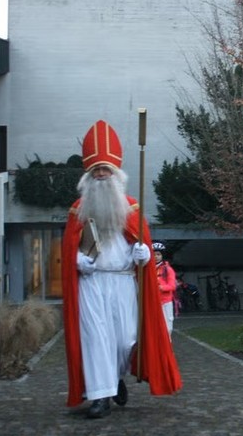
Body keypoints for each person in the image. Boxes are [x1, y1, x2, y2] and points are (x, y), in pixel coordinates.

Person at [61, 120, 182, 419]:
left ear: (115, 174)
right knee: (95, 338)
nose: (101, 175)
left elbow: (140, 246)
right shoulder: (78, 209)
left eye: (105, 170)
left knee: (124, 339)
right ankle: (99, 396)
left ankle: (114, 379)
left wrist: (141, 253)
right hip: (92, 283)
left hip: (123, 282)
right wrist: (78, 261)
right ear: (88, 176)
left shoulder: (132, 209)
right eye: (96, 171)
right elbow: (68, 252)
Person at [153, 242, 177, 338]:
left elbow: (172, 286)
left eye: (158, 254)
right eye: (154, 254)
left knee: (167, 328)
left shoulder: (168, 269)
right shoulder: (149, 269)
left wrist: (161, 287)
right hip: (153, 302)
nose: (156, 257)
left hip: (165, 302)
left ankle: (168, 349)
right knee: (155, 328)